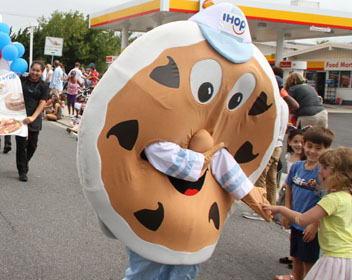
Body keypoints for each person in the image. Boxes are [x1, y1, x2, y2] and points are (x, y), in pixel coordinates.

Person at [122, 129, 271, 280]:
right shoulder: (155, 132)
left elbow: (225, 166)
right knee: (144, 272)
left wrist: (252, 197)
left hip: (195, 223)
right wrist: (202, 157)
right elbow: (157, 150)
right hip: (153, 219)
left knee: (183, 271)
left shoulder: (212, 140)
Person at [262, 147, 352, 280]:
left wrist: (281, 209)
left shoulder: (332, 199)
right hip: (347, 259)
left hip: (334, 259)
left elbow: (303, 220)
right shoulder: (347, 196)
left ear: (340, 173)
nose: (320, 171)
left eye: (325, 167)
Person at [274, 126, 335, 280]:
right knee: (295, 252)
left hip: (310, 222)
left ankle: (309, 277)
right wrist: (286, 211)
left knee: (309, 257)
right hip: (295, 218)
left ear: (326, 150)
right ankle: (295, 275)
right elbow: (289, 187)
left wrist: (315, 224)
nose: (313, 151)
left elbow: (326, 201)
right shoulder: (296, 167)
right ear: (304, 144)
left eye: (318, 148)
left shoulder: (322, 173)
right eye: (310, 146)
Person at [17, 61, 48, 182]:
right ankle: (22, 171)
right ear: (30, 69)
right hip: (20, 117)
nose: (34, 73)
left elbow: (43, 102)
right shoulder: (21, 80)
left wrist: (33, 117)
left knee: (33, 146)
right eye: (33, 70)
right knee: (21, 145)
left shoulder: (44, 85)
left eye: (37, 71)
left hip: (34, 118)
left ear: (41, 72)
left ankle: (24, 161)